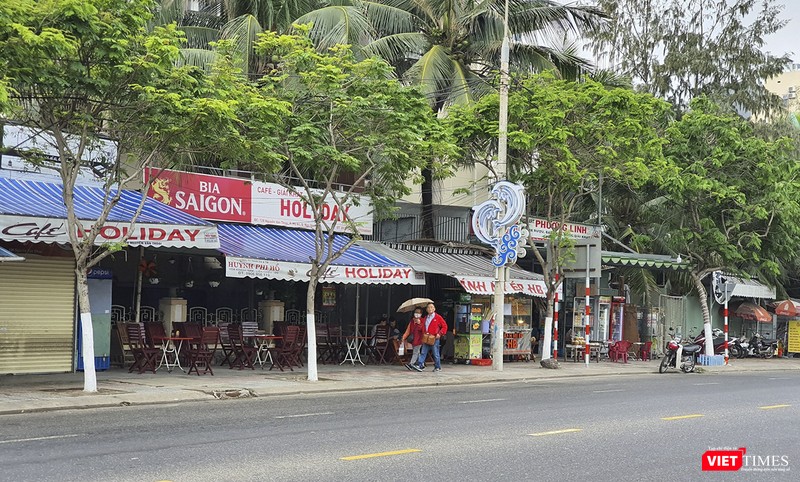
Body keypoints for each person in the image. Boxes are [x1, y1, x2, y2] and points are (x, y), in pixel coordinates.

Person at [413, 302, 447, 372]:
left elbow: (444, 326)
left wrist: (440, 333)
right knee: (423, 352)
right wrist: (419, 324)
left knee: (435, 353)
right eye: (428, 307)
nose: (430, 309)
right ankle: (419, 364)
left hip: (434, 338)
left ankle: (438, 366)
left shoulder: (438, 317)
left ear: (434, 309)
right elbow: (422, 328)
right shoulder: (425, 318)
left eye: (431, 307)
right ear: (426, 309)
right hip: (426, 337)